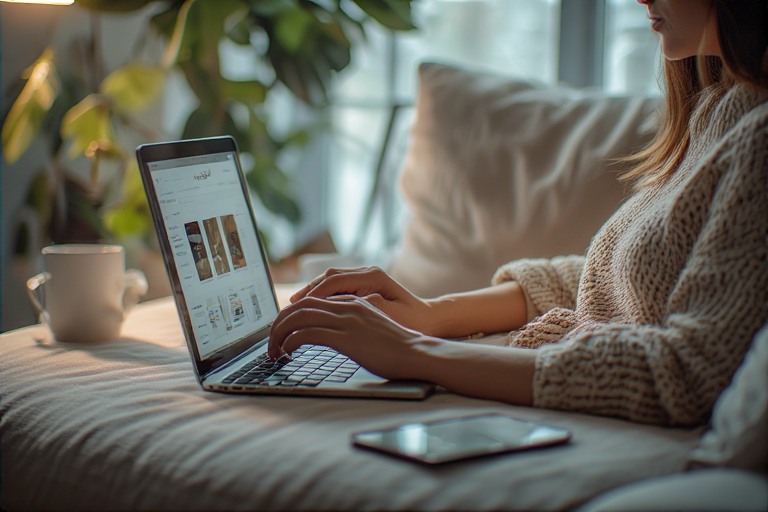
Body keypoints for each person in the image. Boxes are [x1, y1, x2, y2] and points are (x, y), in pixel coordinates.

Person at [269, 0, 768, 427]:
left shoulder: (759, 136)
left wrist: (414, 354)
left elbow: (688, 374)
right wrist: (432, 315)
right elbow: (624, 283)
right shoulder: (724, 106)